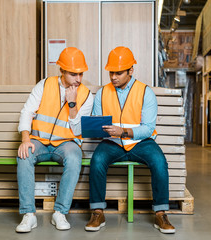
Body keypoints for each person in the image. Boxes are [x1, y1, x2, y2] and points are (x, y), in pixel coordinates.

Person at [84, 46, 175, 234]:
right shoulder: (102, 93)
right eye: (111, 72)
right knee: (97, 161)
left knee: (159, 162)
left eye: (118, 73)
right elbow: (96, 118)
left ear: (130, 71)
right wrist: (95, 126)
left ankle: (161, 213)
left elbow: (148, 128)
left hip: (141, 142)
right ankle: (97, 212)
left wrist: (123, 131)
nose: (113, 77)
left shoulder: (145, 92)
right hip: (113, 142)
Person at [15, 47, 93, 233]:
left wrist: (72, 104)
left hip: (67, 143)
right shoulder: (44, 85)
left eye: (81, 74)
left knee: (75, 158)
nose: (79, 79)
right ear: (62, 71)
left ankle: (60, 212)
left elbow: (78, 129)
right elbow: (27, 112)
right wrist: (25, 139)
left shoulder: (87, 95)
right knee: (24, 156)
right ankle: (28, 215)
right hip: (39, 141)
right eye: (74, 74)